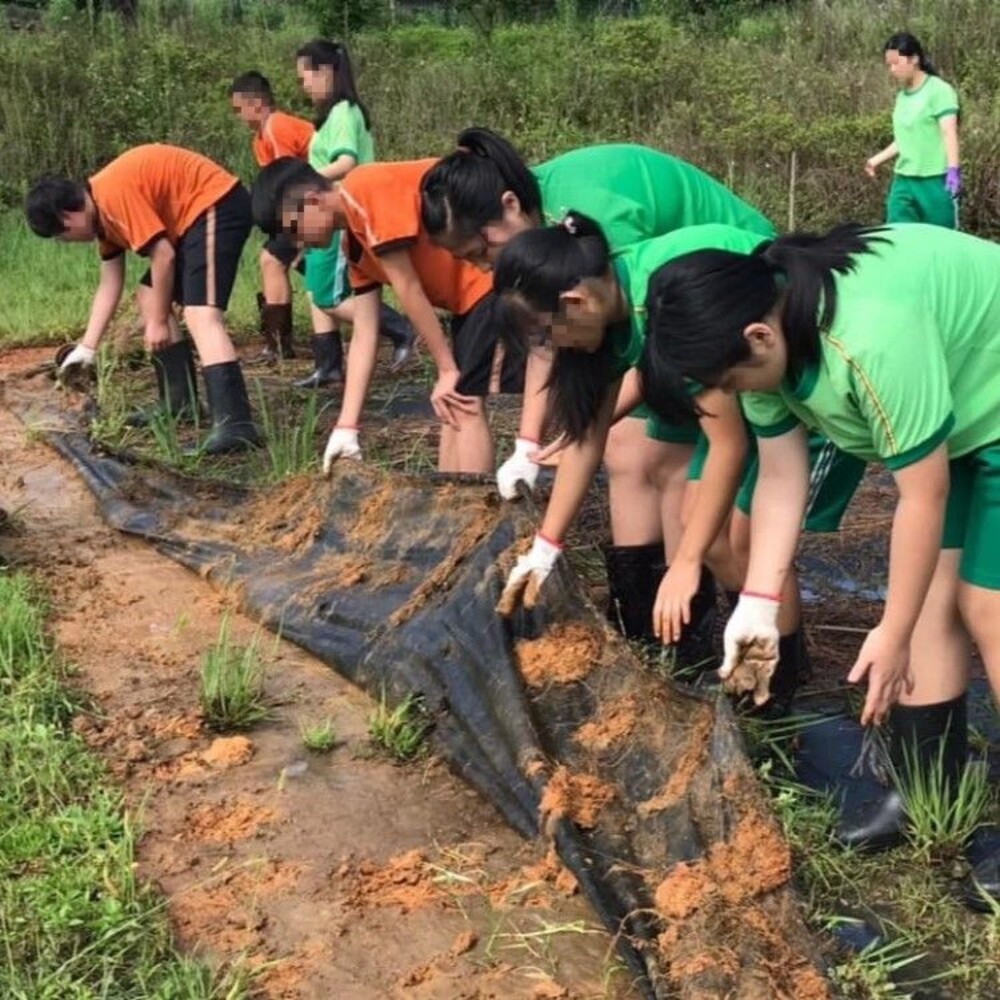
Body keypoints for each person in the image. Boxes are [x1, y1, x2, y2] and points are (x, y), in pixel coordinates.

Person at [638, 221, 1000, 909]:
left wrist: (886, 634)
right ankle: (930, 795)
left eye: (726, 381)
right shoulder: (769, 339)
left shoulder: (868, 339)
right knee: (928, 607)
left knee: (987, 606)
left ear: (757, 339)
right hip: (966, 414)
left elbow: (921, 495)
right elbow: (779, 479)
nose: (731, 394)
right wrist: (757, 603)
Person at [420, 127, 777, 648]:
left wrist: (590, 423)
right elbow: (566, 342)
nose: (483, 266)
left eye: (482, 249)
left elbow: (604, 335)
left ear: (511, 204)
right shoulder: (553, 264)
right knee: (624, 452)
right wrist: (535, 451)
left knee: (662, 458)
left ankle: (691, 617)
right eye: (469, 261)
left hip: (726, 300)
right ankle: (644, 614)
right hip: (657, 323)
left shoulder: (590, 221)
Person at [492, 215, 863, 709]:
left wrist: (685, 564)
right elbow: (590, 436)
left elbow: (728, 444)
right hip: (737, 387)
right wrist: (545, 547)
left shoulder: (666, 314)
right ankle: (753, 648)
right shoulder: (607, 314)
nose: (550, 348)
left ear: (575, 303)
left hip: (793, 378)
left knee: (748, 539)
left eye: (547, 334)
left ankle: (778, 686)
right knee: (699, 525)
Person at [252, 157, 526, 474]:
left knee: (464, 402)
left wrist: (447, 368)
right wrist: (347, 426)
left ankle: (475, 512)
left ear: (312, 202)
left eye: (295, 230)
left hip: (491, 279)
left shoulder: (363, 189)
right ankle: (448, 504)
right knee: (453, 407)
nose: (300, 244)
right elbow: (365, 333)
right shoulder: (352, 244)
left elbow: (407, 285)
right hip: (465, 301)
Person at [25, 144, 260, 454]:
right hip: (192, 221)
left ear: (67, 217)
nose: (67, 242)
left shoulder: (112, 196)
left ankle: (237, 426)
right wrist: (87, 348)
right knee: (147, 294)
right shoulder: (101, 217)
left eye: (62, 237)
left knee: (200, 314)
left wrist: (159, 321)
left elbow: (163, 255)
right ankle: (180, 402)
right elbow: (110, 284)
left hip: (216, 204)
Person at [292, 39, 413, 389]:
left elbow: (347, 162)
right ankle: (327, 364)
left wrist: (305, 181)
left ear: (326, 71)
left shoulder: (345, 111)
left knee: (328, 295)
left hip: (338, 211)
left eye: (306, 77)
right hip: (319, 212)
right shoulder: (331, 116)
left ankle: (398, 327)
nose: (305, 86)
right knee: (315, 288)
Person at [230, 69, 314, 363]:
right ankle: (277, 342)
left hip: (316, 204)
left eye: (240, 109)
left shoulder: (277, 128)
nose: (240, 117)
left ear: (256, 103)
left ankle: (278, 345)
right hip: (304, 207)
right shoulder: (261, 139)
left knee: (273, 260)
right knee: (289, 262)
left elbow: (290, 180)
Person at [865, 33, 961, 228]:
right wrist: (876, 160)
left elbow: (948, 133)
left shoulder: (939, 91)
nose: (892, 70)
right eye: (888, 65)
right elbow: (904, 139)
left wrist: (953, 170)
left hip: (934, 181)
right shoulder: (902, 97)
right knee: (898, 236)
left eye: (896, 63)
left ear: (914, 59)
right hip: (904, 181)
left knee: (940, 240)